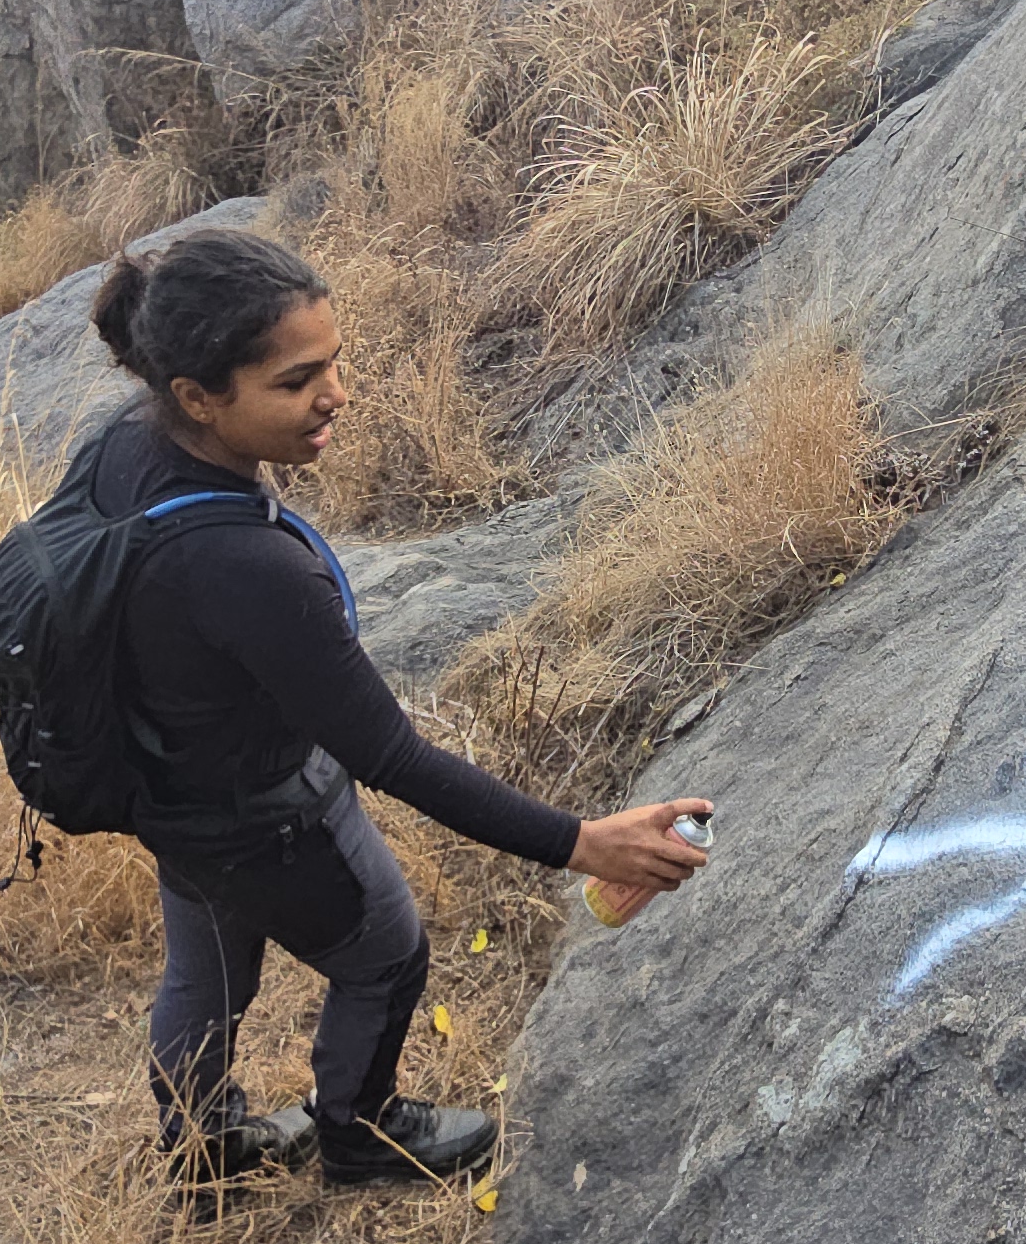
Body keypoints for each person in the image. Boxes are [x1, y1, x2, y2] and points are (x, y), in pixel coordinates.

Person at [78, 225, 711, 1194]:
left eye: (332, 362)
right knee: (383, 952)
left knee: (203, 970)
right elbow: (392, 755)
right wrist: (583, 841)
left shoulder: (125, 440)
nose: (335, 394)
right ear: (198, 395)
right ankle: (359, 1132)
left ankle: (201, 1149)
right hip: (266, 807)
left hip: (165, 785)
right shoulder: (244, 569)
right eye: (295, 382)